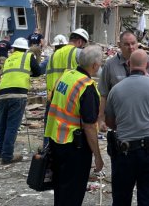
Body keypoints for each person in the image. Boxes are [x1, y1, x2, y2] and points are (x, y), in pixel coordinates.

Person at [104, 49, 149, 206]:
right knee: (148, 198)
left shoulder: (115, 90)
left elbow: (109, 122)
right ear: (148, 65)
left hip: (124, 151)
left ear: (129, 64)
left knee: (121, 198)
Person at [45, 45, 104, 206]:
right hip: (74, 146)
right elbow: (90, 126)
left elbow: (52, 101)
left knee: (61, 186)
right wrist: (97, 156)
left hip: (56, 139)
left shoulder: (66, 75)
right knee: (73, 191)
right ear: (94, 65)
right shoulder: (86, 86)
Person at [97, 30, 149, 131]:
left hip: (145, 119)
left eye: (133, 43)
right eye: (127, 44)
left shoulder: (148, 61)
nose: (131, 47)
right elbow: (104, 94)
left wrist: (148, 77)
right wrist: (101, 119)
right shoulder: (110, 65)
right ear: (119, 45)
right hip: (119, 120)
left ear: (138, 43)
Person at [0, 37, 40, 165]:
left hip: (3, 93)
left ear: (14, 48)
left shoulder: (9, 59)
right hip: (18, 94)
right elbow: (37, 71)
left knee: (3, 124)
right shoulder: (28, 57)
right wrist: (28, 73)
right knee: (12, 126)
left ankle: (0, 152)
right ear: (26, 49)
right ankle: (7, 156)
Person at [45, 28, 89, 95]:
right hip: (67, 96)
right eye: (83, 45)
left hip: (51, 96)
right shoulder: (78, 52)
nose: (83, 48)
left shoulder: (52, 55)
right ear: (80, 42)